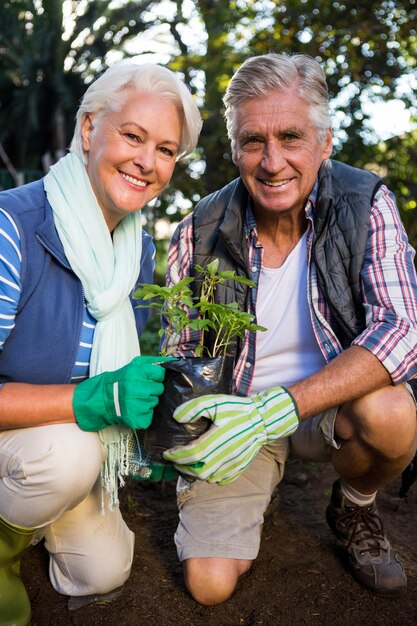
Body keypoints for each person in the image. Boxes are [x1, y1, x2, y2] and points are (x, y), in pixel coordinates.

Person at [162, 52, 417, 605]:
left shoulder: (364, 203)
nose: (272, 162)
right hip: (238, 422)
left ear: (324, 142)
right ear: (234, 148)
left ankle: (354, 503)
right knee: (208, 586)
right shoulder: (199, 230)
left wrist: (278, 408)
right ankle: (256, 486)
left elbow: (400, 330)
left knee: (392, 414)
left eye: (291, 137)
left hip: (332, 408)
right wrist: (185, 432)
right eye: (253, 141)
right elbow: (181, 354)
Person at [0, 59, 202, 625]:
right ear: (89, 130)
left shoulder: (134, 250)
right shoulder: (12, 227)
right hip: (46, 446)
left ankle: (30, 511)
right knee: (68, 453)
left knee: (103, 571)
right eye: (132, 136)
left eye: (165, 150)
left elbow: (115, 361)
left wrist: (152, 428)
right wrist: (94, 399)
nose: (147, 162)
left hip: (56, 451)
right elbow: (94, 393)